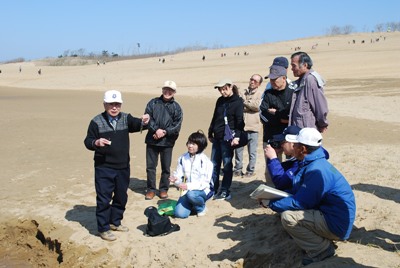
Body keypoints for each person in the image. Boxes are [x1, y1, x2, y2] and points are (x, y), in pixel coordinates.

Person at [261, 128, 356, 266]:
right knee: (286, 210)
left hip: (336, 225)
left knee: (289, 217)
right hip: (332, 216)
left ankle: (322, 250)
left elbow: (301, 202)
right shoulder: (313, 162)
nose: (293, 147)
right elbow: (299, 191)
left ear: (303, 149)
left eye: (296, 145)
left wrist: (271, 203)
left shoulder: (316, 170)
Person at [84, 90, 150, 241]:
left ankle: (115, 222)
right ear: (105, 104)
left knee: (121, 196)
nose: (114, 107)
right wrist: (96, 142)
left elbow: (139, 124)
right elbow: (88, 141)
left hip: (122, 167)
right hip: (103, 167)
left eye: (117, 104)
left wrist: (145, 121)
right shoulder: (96, 121)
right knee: (103, 198)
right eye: (111, 104)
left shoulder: (126, 118)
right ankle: (103, 228)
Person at [144, 81, 183, 200]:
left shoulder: (176, 107)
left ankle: (163, 189)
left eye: (170, 90)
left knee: (166, 167)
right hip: (152, 140)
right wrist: (156, 130)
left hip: (167, 142)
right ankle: (151, 189)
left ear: (174, 92)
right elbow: (147, 118)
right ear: (162, 90)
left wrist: (164, 132)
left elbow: (177, 125)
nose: (167, 92)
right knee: (151, 166)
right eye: (166, 89)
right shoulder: (153, 102)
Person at [208, 79, 245, 200]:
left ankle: (225, 190)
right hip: (217, 137)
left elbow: (240, 121)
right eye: (220, 90)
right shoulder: (219, 100)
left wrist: (237, 137)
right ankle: (213, 188)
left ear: (230, 87)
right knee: (214, 164)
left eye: (225, 89)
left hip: (228, 138)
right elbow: (215, 117)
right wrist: (210, 131)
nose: (222, 92)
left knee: (227, 165)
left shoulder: (238, 101)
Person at [260, 61, 295, 185]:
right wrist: (280, 118)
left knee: (292, 165)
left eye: (275, 79)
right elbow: (263, 115)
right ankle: (271, 194)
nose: (272, 82)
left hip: (289, 137)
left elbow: (292, 116)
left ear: (284, 78)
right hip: (270, 136)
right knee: (270, 169)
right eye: (271, 79)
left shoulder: (293, 93)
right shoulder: (268, 94)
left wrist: (276, 113)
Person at [169, 130, 214, 218]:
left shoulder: (205, 161)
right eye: (189, 143)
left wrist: (188, 186)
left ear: (200, 146)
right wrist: (175, 180)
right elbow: (179, 175)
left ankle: (201, 208)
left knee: (192, 194)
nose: (190, 146)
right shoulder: (182, 158)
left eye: (193, 144)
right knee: (179, 214)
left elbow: (205, 183)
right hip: (186, 191)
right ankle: (193, 205)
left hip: (202, 191)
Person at [289, 52, 329, 133]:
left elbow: (320, 106)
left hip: (308, 131)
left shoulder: (311, 80)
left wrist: (322, 124)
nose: (292, 68)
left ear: (305, 65)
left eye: (294, 65)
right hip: (299, 129)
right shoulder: (301, 81)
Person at [233, 74, 263, 178]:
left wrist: (244, 102)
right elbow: (237, 103)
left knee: (252, 152)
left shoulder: (260, 94)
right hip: (241, 128)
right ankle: (237, 169)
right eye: (251, 79)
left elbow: (256, 106)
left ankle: (250, 170)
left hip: (253, 127)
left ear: (259, 84)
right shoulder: (243, 92)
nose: (252, 81)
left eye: (255, 80)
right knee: (238, 150)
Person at [263, 125, 301, 191]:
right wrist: (274, 156)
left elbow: (280, 183)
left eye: (283, 142)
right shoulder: (296, 160)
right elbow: (282, 172)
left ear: (292, 144)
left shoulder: (302, 162)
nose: (281, 145)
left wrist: (273, 159)